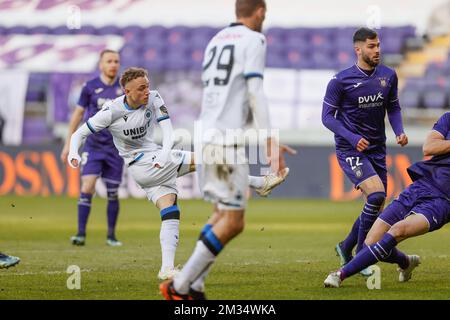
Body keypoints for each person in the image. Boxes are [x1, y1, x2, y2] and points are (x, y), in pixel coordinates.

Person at [68, 67, 289, 281]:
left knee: (170, 212)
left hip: (156, 160)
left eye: (148, 86)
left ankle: (166, 268)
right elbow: (80, 133)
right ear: (127, 92)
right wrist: (73, 153)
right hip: (142, 165)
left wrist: (164, 154)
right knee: (207, 158)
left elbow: (167, 130)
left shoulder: (154, 98)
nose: (147, 91)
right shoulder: (111, 111)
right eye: (141, 88)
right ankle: (259, 183)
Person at [160, 0, 295, 300]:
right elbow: (255, 91)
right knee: (234, 221)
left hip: (205, 135)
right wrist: (270, 141)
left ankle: (194, 285)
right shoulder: (254, 39)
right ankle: (180, 286)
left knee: (220, 215)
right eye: (265, 14)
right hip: (225, 141)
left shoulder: (216, 40)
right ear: (259, 12)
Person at [324, 112, 450, 287]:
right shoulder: (448, 118)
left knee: (398, 230)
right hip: (420, 186)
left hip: (443, 202)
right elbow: (429, 147)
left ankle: (339, 275)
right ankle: (406, 262)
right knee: (370, 242)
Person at [321, 27, 408, 274]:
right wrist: (351, 136)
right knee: (377, 196)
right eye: (371, 46)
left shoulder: (388, 76)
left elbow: (393, 107)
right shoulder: (340, 81)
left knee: (377, 206)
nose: (377, 50)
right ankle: (361, 256)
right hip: (350, 148)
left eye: (378, 45)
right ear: (358, 49)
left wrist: (399, 130)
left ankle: (344, 247)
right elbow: (327, 117)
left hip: (377, 149)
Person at [60, 49, 124, 247]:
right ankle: (80, 234)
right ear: (101, 65)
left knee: (113, 192)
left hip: (115, 148)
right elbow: (77, 116)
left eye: (116, 61)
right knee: (87, 186)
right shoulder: (90, 87)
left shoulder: (125, 88)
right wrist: (69, 144)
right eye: (109, 61)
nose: (113, 64)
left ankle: (111, 236)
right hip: (93, 146)